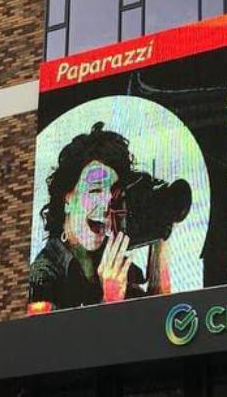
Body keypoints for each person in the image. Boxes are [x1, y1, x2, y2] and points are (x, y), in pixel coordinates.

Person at [28, 122, 172, 308]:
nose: (107, 205)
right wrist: (110, 299)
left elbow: (158, 315)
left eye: (114, 194)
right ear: (67, 197)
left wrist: (162, 228)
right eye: (95, 190)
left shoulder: (113, 260)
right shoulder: (41, 278)